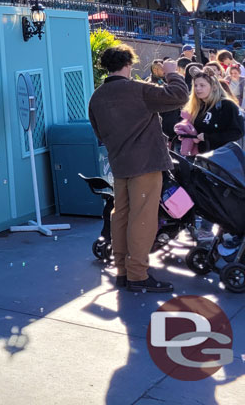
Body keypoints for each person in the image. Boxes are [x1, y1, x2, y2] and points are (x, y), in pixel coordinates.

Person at [88, 46, 189, 293]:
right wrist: (171, 72)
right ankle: (138, 274)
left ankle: (122, 270)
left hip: (120, 164)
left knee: (120, 215)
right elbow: (179, 95)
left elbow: (99, 132)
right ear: (129, 64)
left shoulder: (97, 97)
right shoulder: (138, 90)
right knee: (142, 218)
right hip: (146, 163)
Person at [184, 71, 244, 154]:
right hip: (202, 157)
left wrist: (208, 137)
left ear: (214, 87)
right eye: (195, 85)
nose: (197, 88)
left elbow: (237, 132)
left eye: (202, 85)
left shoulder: (227, 105)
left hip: (223, 157)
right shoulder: (198, 106)